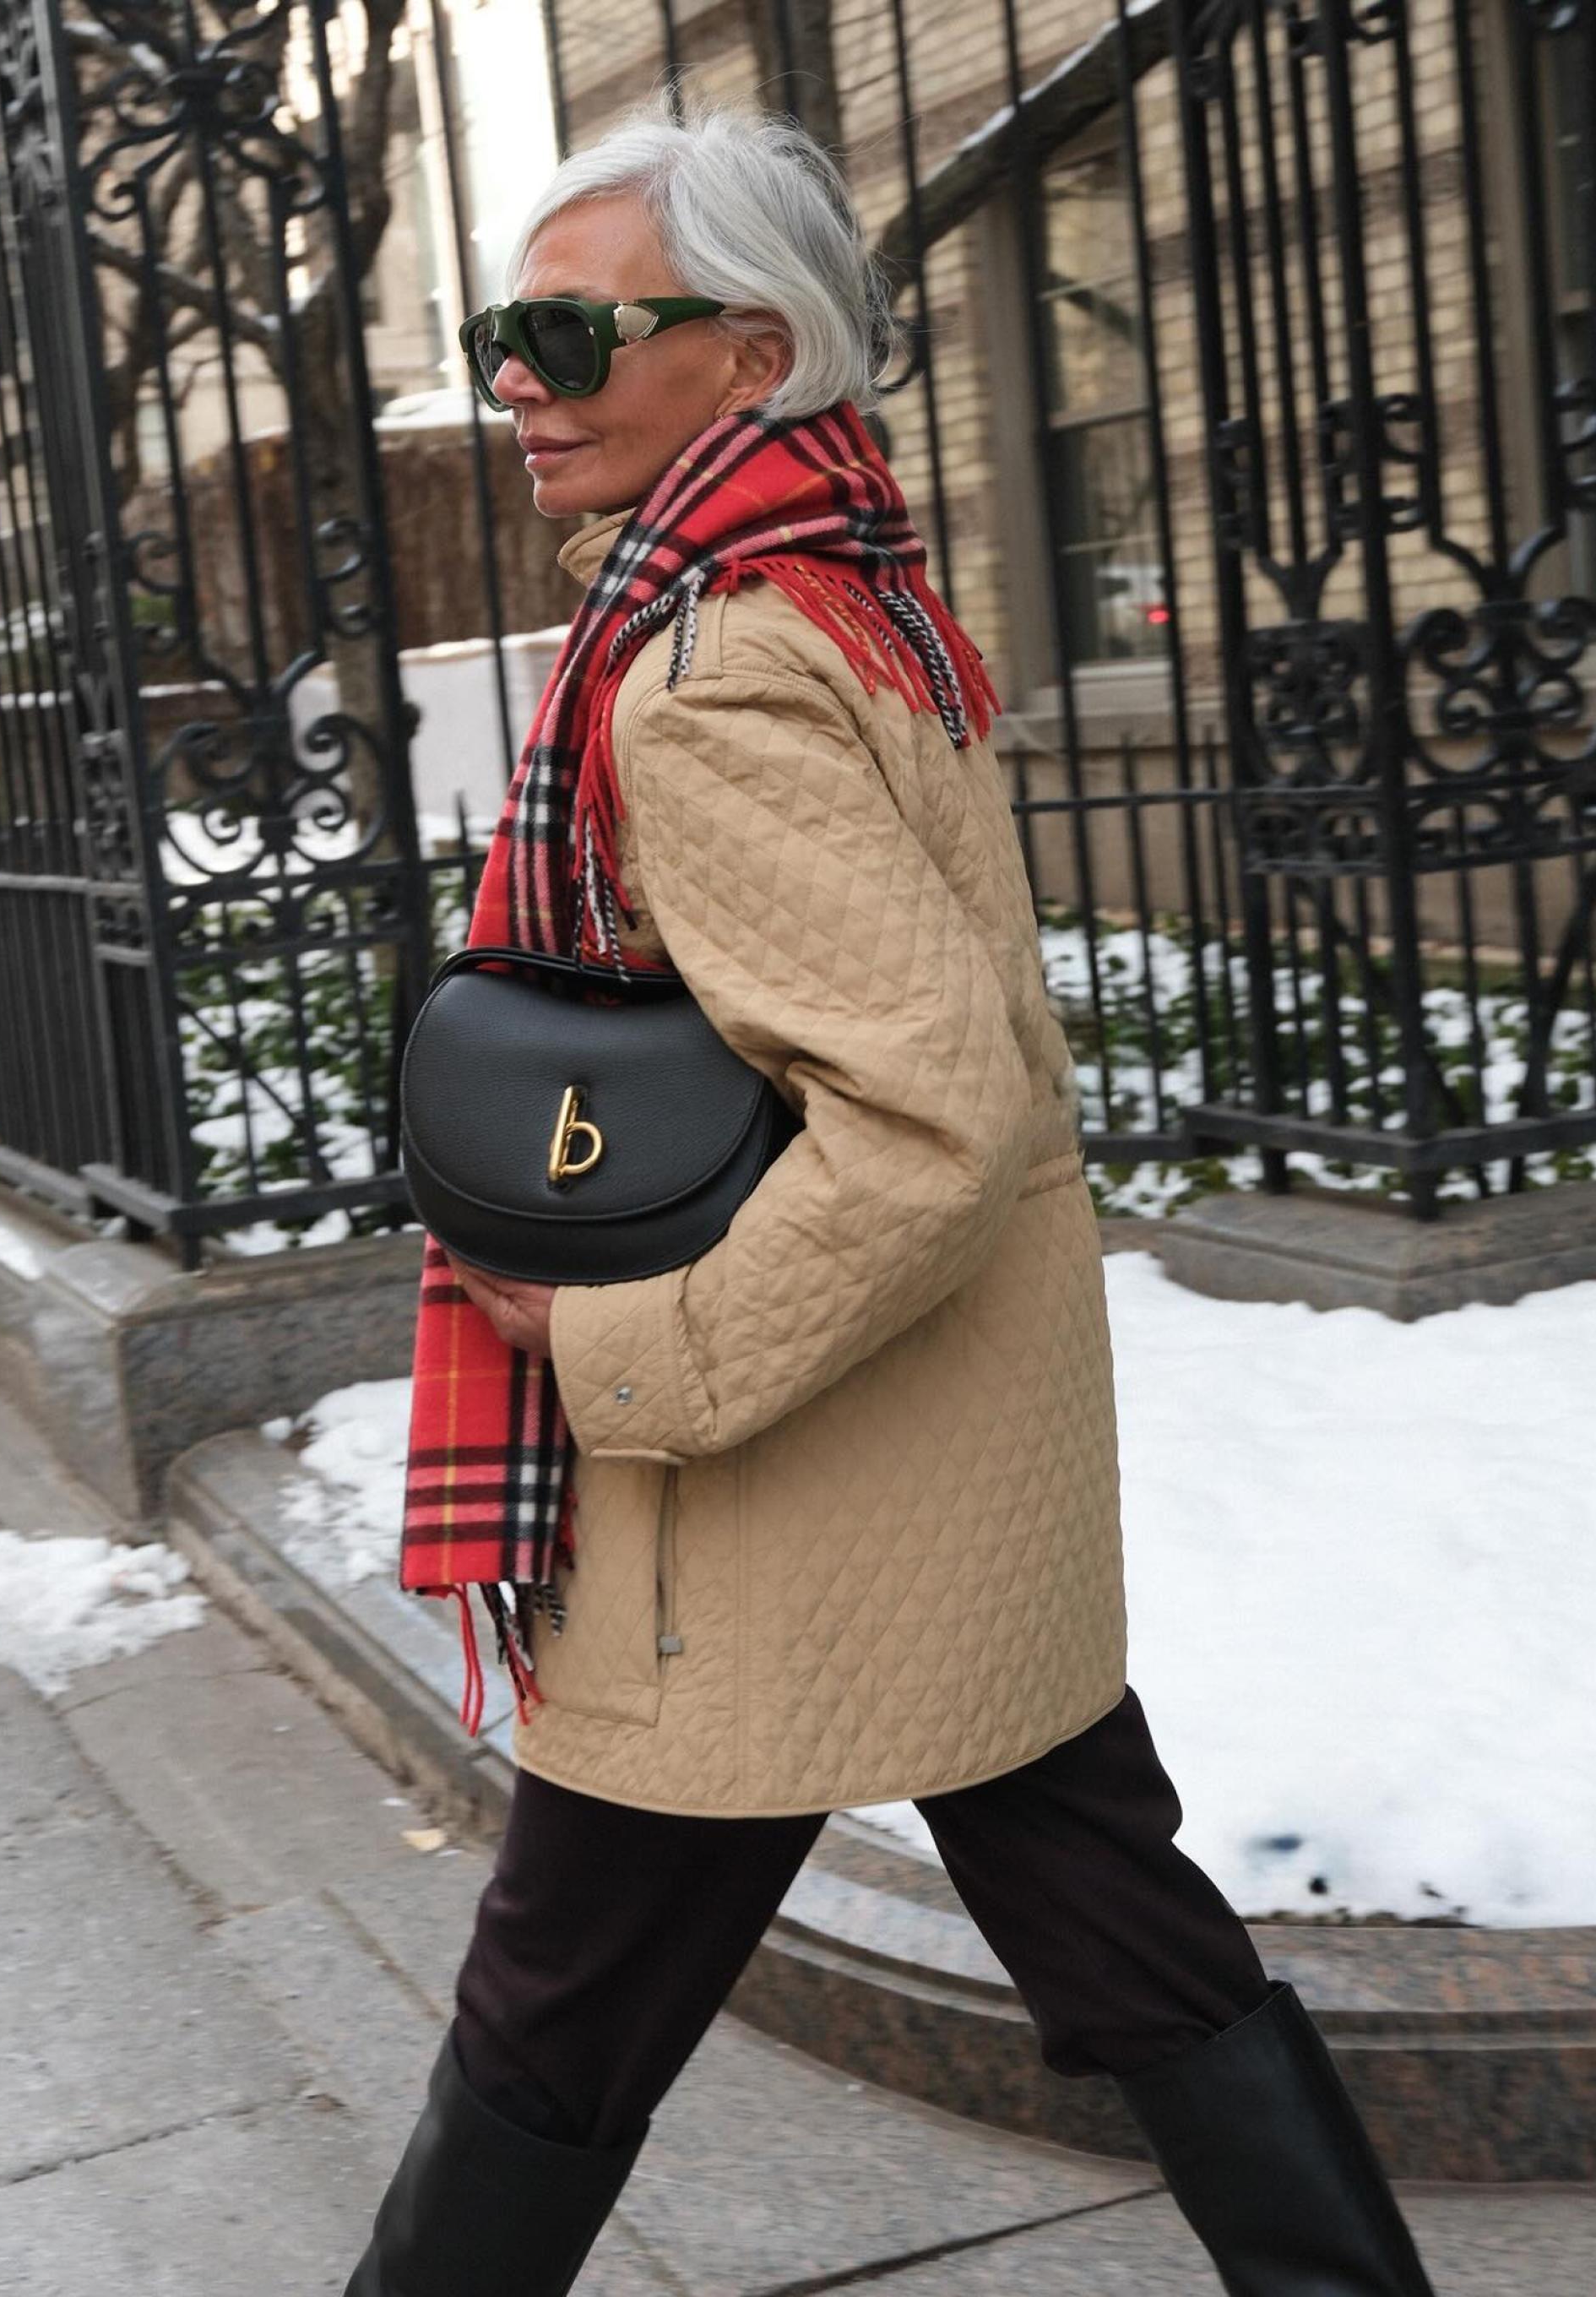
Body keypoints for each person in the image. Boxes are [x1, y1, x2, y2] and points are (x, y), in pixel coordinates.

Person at [345, 99, 1436, 2297]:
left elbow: (929, 1109)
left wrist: (633, 1351)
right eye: (501, 336)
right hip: (947, 1461)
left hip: (772, 1500)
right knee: (1122, 1930)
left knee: (555, 2010)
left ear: (750, 358)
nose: (522, 381)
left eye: (574, 332)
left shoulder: (711, 666)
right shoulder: (845, 592)